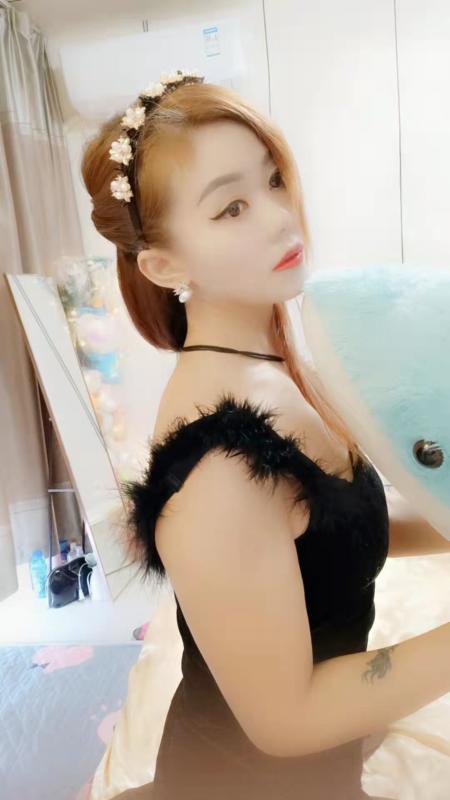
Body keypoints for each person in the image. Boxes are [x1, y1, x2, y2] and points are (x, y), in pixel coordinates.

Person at [81, 70, 450, 800]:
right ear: (164, 265)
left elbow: (339, 529)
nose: (282, 217)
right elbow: (286, 721)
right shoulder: (221, 463)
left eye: (274, 179)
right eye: (232, 208)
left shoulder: (277, 361)